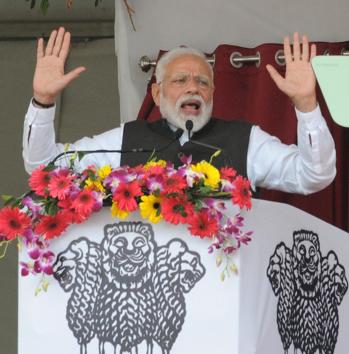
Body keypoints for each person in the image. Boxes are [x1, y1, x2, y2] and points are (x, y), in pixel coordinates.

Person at [23, 27, 336, 194]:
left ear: (213, 93)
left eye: (202, 81)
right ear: (157, 93)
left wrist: (306, 105)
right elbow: (45, 169)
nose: (193, 87)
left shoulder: (246, 141)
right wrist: (43, 100)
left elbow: (314, 176)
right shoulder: (124, 140)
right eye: (180, 80)